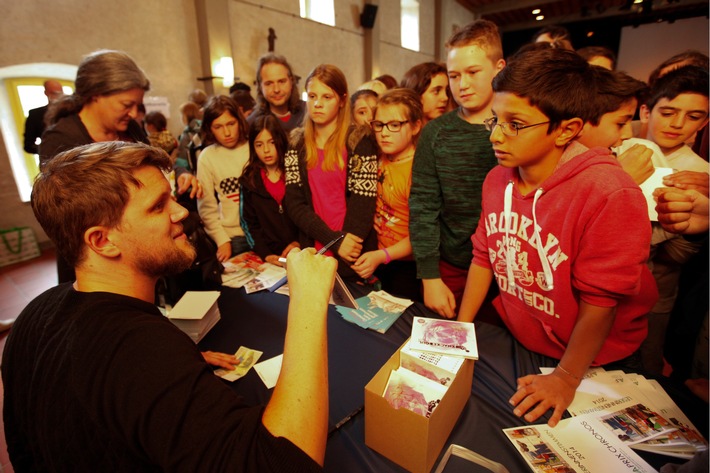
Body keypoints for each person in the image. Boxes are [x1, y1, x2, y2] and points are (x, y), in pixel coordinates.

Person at [3, 140, 336, 471]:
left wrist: (177, 366)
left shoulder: (36, 313)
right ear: (102, 241)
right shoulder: (140, 354)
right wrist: (307, 300)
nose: (181, 212)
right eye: (157, 206)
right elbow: (284, 462)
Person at [457, 47, 657, 427]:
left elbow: (602, 300)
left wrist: (566, 378)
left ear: (566, 128)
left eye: (514, 123)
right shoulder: (497, 177)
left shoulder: (609, 192)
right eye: (495, 120)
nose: (496, 136)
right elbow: (483, 255)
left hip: (592, 359)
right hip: (525, 340)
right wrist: (461, 330)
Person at [39, 49, 201, 283]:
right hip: (103, 265)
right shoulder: (60, 139)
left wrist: (180, 173)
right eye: (127, 104)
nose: (135, 113)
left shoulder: (130, 129)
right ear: (95, 95)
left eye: (138, 105)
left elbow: (152, 172)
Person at [409, 19, 505, 318]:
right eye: (454, 75)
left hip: (509, 273)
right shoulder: (435, 133)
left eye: (473, 72)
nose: (462, 85)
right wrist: (430, 276)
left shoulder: (518, 128)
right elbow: (423, 206)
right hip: (451, 267)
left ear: (499, 68)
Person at [284, 64, 378, 280]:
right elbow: (295, 203)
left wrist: (345, 246)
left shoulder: (359, 141)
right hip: (315, 246)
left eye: (327, 97)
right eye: (312, 96)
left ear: (342, 100)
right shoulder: (296, 143)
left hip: (352, 249)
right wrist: (333, 240)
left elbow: (364, 201)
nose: (317, 104)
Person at [352, 88, 423, 301]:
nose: (384, 132)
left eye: (394, 125)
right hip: (376, 257)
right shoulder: (377, 157)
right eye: (379, 125)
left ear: (415, 126)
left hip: (406, 265)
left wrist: (382, 256)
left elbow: (422, 234)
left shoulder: (418, 170)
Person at [197, 95, 251, 262]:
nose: (226, 133)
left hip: (264, 233)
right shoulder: (207, 156)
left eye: (231, 124)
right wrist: (221, 239)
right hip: (232, 238)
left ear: (239, 121)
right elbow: (206, 206)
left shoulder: (254, 147)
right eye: (218, 127)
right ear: (209, 128)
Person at [240, 113, 300, 264]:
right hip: (269, 257)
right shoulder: (249, 180)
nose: (266, 150)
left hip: (300, 251)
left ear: (280, 141)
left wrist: (299, 242)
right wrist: (265, 253)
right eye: (259, 145)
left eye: (271, 142)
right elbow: (249, 223)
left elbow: (309, 213)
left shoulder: (296, 171)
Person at [248, 53, 306, 133]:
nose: (276, 89)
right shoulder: (252, 123)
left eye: (282, 81)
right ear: (260, 87)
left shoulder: (309, 112)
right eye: (269, 83)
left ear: (291, 81)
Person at [23, 79, 63, 154]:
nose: (58, 96)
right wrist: (48, 149)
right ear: (46, 93)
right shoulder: (35, 114)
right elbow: (28, 145)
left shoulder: (72, 111)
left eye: (60, 92)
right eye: (54, 93)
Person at [176, 101, 202, 170]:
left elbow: (184, 159)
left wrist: (176, 161)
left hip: (191, 170)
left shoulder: (187, 133)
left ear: (186, 115)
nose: (181, 118)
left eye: (181, 115)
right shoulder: (202, 127)